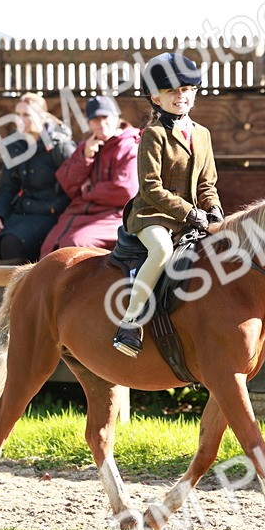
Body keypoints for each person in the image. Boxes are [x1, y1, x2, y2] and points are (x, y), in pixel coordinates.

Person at [111, 53, 223, 357]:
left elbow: (207, 184)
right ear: (156, 98)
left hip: (192, 217)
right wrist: (190, 212)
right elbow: (151, 188)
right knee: (161, 250)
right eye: (172, 91)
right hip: (152, 215)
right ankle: (129, 323)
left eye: (186, 89)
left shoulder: (203, 134)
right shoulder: (153, 134)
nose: (180, 96)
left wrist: (214, 210)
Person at [0, 92, 75, 319]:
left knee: (11, 242)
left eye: (26, 115)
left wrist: (55, 207)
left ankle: (10, 314)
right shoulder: (16, 146)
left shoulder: (60, 145)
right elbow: (7, 187)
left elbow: (75, 185)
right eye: (17, 114)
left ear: (42, 116)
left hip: (49, 215)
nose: (20, 120)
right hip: (20, 213)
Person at [39, 94, 139, 256]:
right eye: (95, 120)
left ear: (116, 117)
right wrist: (86, 158)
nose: (101, 124)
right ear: (89, 123)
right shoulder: (86, 146)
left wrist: (88, 191)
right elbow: (67, 183)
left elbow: (125, 191)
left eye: (105, 117)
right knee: (49, 247)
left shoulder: (130, 146)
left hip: (115, 216)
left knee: (74, 245)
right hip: (79, 213)